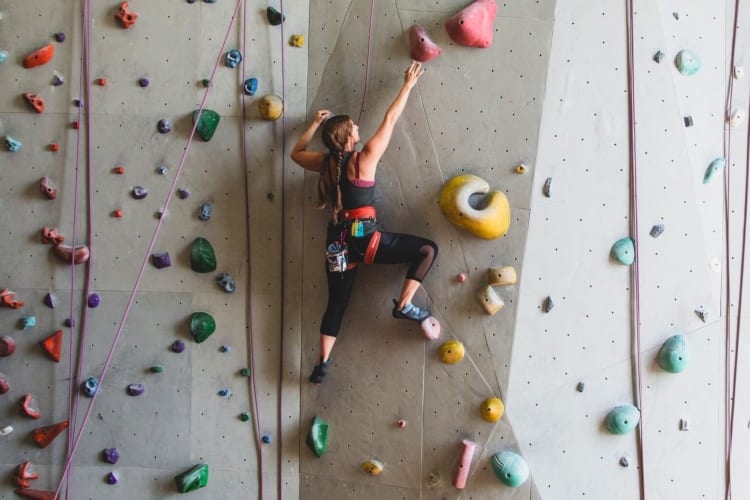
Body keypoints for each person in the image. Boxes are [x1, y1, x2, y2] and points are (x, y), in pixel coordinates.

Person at [290, 61, 439, 384]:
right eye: (355, 127)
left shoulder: (325, 164)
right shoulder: (365, 157)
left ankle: (322, 365)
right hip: (365, 240)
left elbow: (296, 153)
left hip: (337, 245)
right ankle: (404, 304)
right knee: (427, 249)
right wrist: (407, 86)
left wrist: (315, 124)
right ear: (347, 136)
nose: (359, 129)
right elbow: (390, 118)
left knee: (337, 304)